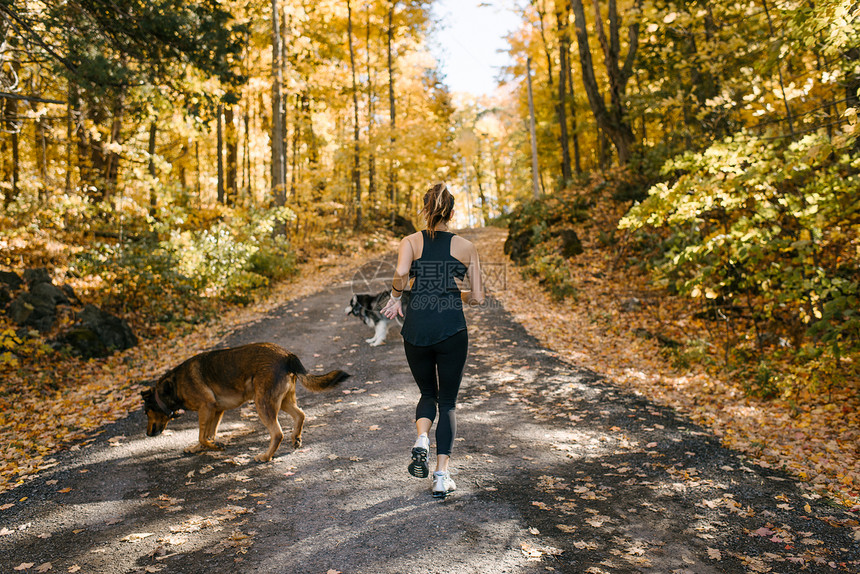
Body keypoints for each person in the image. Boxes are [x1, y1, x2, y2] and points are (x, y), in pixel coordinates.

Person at [381, 182, 484, 498]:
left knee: (428, 392)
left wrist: (397, 296)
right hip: (452, 330)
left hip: (416, 331)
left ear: (425, 211)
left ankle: (422, 438)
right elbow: (478, 297)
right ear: (451, 213)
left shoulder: (410, 241)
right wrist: (455, 292)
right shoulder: (466, 247)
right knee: (448, 401)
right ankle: (441, 476)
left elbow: (400, 273)